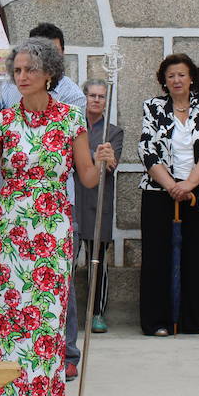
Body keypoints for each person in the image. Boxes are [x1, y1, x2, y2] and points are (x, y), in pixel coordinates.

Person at [0, 38, 102, 396]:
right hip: (10, 228)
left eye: (29, 70)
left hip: (53, 227)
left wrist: (103, 161)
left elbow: (88, 178)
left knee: (47, 320)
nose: (22, 76)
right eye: (17, 70)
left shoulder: (71, 118)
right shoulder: (3, 121)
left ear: (49, 74)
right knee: (9, 320)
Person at [137, 54, 199, 337]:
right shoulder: (153, 107)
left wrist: (189, 184)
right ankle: (156, 321)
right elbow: (146, 149)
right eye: (171, 75)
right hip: (160, 190)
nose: (176, 80)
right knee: (156, 256)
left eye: (181, 75)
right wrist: (171, 185)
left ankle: (195, 320)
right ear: (164, 80)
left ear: (191, 78)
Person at [71, 78, 122, 349]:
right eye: (92, 95)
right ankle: (64, 312)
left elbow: (111, 163)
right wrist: (95, 154)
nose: (96, 100)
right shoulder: (72, 125)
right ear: (84, 98)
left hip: (98, 199)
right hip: (72, 197)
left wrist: (98, 157)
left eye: (101, 96)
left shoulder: (114, 132)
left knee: (97, 259)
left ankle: (98, 313)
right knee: (67, 259)